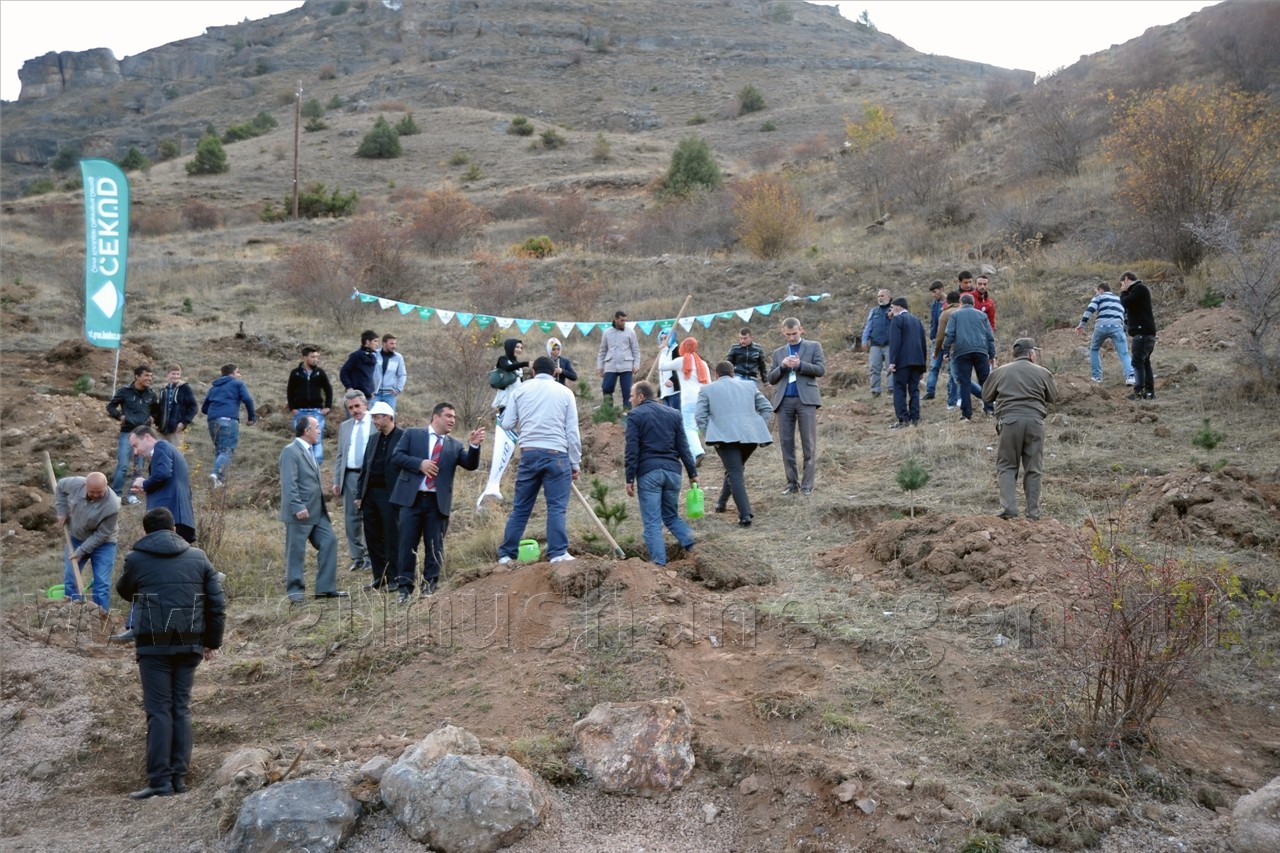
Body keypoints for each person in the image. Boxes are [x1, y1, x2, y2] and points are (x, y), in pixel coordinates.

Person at [116, 507, 225, 800]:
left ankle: (160, 782)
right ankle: (179, 779)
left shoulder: (137, 558)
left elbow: (124, 591)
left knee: (159, 711)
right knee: (181, 707)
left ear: (146, 533)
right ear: (175, 529)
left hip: (153, 644)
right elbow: (216, 603)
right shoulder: (198, 557)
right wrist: (212, 642)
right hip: (189, 642)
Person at [391, 402, 484, 600]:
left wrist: (474, 445)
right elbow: (396, 456)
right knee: (407, 545)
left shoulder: (455, 445)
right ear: (435, 417)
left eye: (454, 417)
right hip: (411, 500)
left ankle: (429, 587)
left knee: (435, 546)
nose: (452, 420)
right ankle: (404, 589)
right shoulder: (412, 434)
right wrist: (419, 464)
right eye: (449, 416)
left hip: (437, 503)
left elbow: (470, 465)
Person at [496, 356, 582, 564]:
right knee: (556, 507)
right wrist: (575, 462)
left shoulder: (521, 390)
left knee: (521, 507)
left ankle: (507, 554)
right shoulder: (565, 392)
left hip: (530, 452)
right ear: (555, 372)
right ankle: (558, 553)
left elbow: (506, 423)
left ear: (533, 371)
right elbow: (572, 431)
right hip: (557, 455)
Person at [982, 338, 1059, 519]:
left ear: (1014, 354)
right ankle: (1033, 512)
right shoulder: (1043, 372)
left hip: (1009, 423)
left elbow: (986, 395)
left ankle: (1009, 509)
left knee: (1007, 465)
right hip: (1035, 422)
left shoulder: (1000, 372)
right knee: (1033, 467)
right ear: (1031, 354)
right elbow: (1053, 397)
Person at [625, 381, 698, 566]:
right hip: (673, 473)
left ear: (641, 396)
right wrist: (692, 473)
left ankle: (658, 566)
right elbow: (683, 446)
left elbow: (632, 450)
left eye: (632, 396)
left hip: (649, 473)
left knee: (652, 523)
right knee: (671, 517)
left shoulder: (634, 415)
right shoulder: (674, 414)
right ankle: (697, 547)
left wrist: (629, 478)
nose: (630, 399)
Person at [696, 361, 773, 526]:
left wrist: (711, 433)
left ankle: (745, 515)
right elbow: (767, 408)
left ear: (716, 374)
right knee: (735, 469)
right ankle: (721, 503)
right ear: (733, 373)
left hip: (724, 439)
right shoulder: (749, 386)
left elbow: (700, 417)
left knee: (735, 472)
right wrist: (758, 426)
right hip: (750, 437)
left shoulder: (707, 389)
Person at [279, 416, 343, 602]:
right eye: (316, 427)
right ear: (307, 431)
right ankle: (295, 593)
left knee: (329, 541)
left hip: (317, 511)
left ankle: (325, 589)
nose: (319, 431)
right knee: (296, 552)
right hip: (299, 512)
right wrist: (298, 505)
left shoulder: (308, 450)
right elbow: (289, 482)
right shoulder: (290, 451)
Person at [767, 317, 825, 496]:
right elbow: (771, 378)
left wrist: (801, 365)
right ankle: (792, 483)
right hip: (784, 400)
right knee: (786, 443)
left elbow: (820, 370)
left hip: (805, 399)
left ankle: (807, 485)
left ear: (801, 329)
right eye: (788, 334)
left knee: (808, 442)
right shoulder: (778, 353)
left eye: (794, 334)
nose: (791, 338)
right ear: (782, 332)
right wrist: (783, 366)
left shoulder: (814, 346)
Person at [354, 401, 404, 591]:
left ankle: (395, 577)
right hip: (371, 495)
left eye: (376, 417)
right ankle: (379, 577)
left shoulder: (402, 436)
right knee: (372, 536)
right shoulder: (374, 439)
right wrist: (360, 494)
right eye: (373, 417)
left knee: (391, 536)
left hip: (390, 494)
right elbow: (365, 468)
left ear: (388, 417)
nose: (374, 421)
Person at [54, 471, 120, 612]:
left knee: (101, 583)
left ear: (106, 486)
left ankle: (101, 618)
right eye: (92, 492)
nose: (96, 495)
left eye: (99, 492)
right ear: (85, 485)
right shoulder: (76, 483)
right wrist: (62, 510)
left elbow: (102, 534)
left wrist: (81, 551)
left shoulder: (112, 505)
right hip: (76, 538)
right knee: (71, 578)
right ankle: (74, 614)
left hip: (104, 544)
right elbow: (59, 487)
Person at [128, 426, 195, 543]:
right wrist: (147, 489)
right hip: (178, 516)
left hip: (171, 517)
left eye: (135, 445)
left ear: (147, 437)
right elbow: (168, 480)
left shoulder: (161, 446)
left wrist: (144, 483)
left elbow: (162, 474)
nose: (136, 451)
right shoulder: (168, 450)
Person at [333, 390, 372, 573]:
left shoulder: (375, 422)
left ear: (365, 404)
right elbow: (340, 455)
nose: (355, 410)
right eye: (351, 408)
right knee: (351, 518)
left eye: (357, 406)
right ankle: (356, 557)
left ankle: (369, 556)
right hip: (349, 476)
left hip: (371, 477)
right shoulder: (345, 426)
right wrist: (337, 480)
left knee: (370, 516)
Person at [200, 363, 256, 486]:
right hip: (228, 420)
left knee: (220, 450)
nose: (239, 375)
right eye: (238, 372)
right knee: (226, 450)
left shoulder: (213, 388)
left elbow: (204, 408)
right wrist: (251, 417)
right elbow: (248, 399)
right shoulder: (237, 384)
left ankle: (218, 483)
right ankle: (216, 474)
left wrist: (216, 411)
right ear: (232, 374)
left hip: (213, 421)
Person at [942, 294, 997, 421]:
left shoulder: (955, 315)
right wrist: (992, 355)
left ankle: (966, 414)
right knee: (984, 381)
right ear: (973, 303)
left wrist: (946, 351)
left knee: (965, 382)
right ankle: (989, 409)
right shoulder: (982, 315)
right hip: (981, 351)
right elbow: (989, 336)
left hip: (962, 352)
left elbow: (949, 334)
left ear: (961, 303)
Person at [107, 364, 156, 500]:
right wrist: (119, 416)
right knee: (123, 465)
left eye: (151, 376)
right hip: (127, 434)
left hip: (143, 436)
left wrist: (153, 418)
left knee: (139, 467)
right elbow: (110, 406)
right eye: (146, 375)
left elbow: (157, 410)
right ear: (137, 376)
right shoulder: (124, 391)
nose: (149, 378)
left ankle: (132, 495)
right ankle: (115, 495)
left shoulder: (151, 394)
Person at [658, 336, 710, 462]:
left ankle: (698, 452)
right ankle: (693, 456)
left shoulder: (681, 361)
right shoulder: (702, 363)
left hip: (689, 400)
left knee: (688, 428)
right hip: (703, 398)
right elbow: (708, 382)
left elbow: (663, 366)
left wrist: (664, 350)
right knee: (695, 426)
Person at [1076, 282, 1135, 386]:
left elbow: (1090, 310)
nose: (1097, 293)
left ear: (1101, 290)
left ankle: (1097, 377)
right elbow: (1126, 316)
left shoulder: (1099, 297)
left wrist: (1082, 324)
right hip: (1117, 327)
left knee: (1094, 349)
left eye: (1097, 292)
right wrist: (1124, 330)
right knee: (1124, 353)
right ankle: (1130, 376)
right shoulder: (1119, 300)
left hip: (1101, 327)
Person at [287, 346, 333, 465]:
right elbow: (290, 391)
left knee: (316, 439)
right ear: (304, 358)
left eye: (317, 357)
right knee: (301, 439)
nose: (315, 359)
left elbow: (328, 389)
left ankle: (316, 465)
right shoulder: (295, 373)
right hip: (300, 412)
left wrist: (327, 406)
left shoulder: (319, 372)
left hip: (317, 411)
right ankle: (302, 464)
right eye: (312, 357)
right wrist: (292, 408)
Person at [887, 297, 928, 428]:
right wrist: (923, 366)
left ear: (898, 307)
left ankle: (903, 420)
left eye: (892, 308)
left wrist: (892, 361)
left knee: (899, 389)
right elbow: (923, 343)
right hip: (917, 361)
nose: (891, 311)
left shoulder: (897, 320)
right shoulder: (917, 321)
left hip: (902, 362)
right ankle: (915, 419)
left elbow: (895, 342)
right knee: (914, 390)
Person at [1120, 271, 1157, 400]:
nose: (1122, 287)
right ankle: (1149, 392)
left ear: (1126, 279)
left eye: (1122, 284)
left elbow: (1125, 302)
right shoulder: (1139, 291)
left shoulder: (1139, 289)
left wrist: (1124, 291)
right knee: (1145, 362)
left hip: (1142, 333)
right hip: (1146, 333)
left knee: (1137, 362)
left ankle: (1139, 392)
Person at [597, 310, 640, 412]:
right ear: (615, 319)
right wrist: (600, 366)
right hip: (611, 364)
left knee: (627, 391)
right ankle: (608, 412)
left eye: (625, 320)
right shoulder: (607, 333)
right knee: (606, 388)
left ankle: (627, 414)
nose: (624, 322)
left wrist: (636, 364)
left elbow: (636, 350)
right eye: (621, 320)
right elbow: (602, 350)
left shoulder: (631, 332)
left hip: (626, 364)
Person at [152, 364, 197, 447]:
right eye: (173, 374)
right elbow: (160, 409)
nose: (176, 376)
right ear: (168, 374)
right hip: (163, 429)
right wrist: (158, 423)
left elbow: (193, 407)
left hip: (176, 429)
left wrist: (183, 422)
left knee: (176, 455)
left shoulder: (185, 388)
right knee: (163, 454)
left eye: (178, 374)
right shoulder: (163, 389)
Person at [860, 289, 892, 397]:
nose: (880, 298)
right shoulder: (874, 311)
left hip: (890, 344)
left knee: (891, 367)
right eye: (878, 296)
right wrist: (864, 340)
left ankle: (891, 389)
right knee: (874, 368)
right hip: (875, 344)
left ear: (889, 297)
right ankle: (875, 390)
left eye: (882, 296)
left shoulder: (893, 310)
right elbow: (868, 327)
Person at [923, 282, 948, 401]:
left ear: (942, 289)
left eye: (935, 292)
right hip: (936, 339)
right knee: (934, 366)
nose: (933, 295)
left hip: (948, 340)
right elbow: (933, 322)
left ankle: (952, 393)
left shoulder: (951, 303)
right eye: (932, 292)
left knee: (952, 369)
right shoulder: (935, 305)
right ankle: (930, 391)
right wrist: (932, 337)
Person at [339, 330, 379, 400]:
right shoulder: (356, 356)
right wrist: (349, 387)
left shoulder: (373, 357)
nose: (377, 344)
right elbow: (344, 372)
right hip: (355, 396)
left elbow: (369, 377)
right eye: (375, 341)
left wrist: (371, 391)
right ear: (367, 342)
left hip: (368, 397)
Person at [491, 338, 529, 414]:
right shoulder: (503, 360)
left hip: (517, 398)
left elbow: (520, 382)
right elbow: (507, 368)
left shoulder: (516, 363)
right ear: (510, 347)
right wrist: (525, 363)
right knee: (505, 424)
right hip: (505, 398)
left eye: (521, 348)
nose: (519, 350)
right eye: (517, 347)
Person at [371, 333, 407, 410]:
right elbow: (368, 372)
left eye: (395, 343)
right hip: (375, 394)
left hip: (390, 395)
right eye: (391, 343)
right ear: (384, 343)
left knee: (389, 419)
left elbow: (402, 375)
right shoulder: (374, 355)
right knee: (372, 418)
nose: (394, 346)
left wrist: (398, 389)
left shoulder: (398, 357)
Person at [656, 328, 681, 410]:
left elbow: (681, 368)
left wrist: (673, 380)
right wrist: (659, 393)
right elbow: (662, 374)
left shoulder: (677, 350)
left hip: (675, 390)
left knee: (677, 416)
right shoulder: (663, 352)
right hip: (664, 392)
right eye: (661, 339)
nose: (663, 341)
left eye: (665, 338)